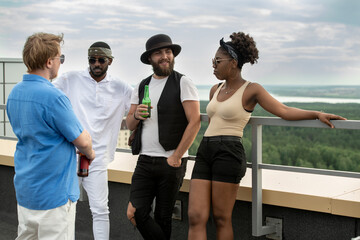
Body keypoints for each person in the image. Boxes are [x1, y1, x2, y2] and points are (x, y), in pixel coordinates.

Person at [187, 32, 347, 240]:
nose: (213, 66)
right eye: (212, 61)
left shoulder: (251, 89)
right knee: (195, 215)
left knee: (221, 218)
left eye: (217, 61)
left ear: (233, 63)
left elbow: (284, 111)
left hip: (228, 152)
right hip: (205, 150)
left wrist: (316, 114)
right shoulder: (215, 90)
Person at [6, 32, 95, 240]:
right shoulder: (54, 97)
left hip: (26, 190)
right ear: (48, 62)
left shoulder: (15, 93)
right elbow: (83, 141)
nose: (60, 63)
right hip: (54, 195)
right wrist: (90, 152)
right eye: (60, 58)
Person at [53, 41, 133, 239]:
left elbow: (137, 110)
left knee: (100, 210)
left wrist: (136, 132)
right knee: (64, 206)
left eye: (101, 60)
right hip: (69, 154)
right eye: (92, 59)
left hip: (98, 158)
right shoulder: (70, 79)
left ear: (110, 61)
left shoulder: (121, 88)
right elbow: (49, 99)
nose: (96, 63)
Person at [126, 33, 201, 240]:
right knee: (134, 212)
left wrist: (177, 156)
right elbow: (129, 123)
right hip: (145, 159)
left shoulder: (183, 82)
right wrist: (137, 115)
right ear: (150, 58)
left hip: (171, 161)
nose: (165, 56)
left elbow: (194, 121)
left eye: (168, 52)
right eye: (158, 53)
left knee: (163, 217)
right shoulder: (142, 86)